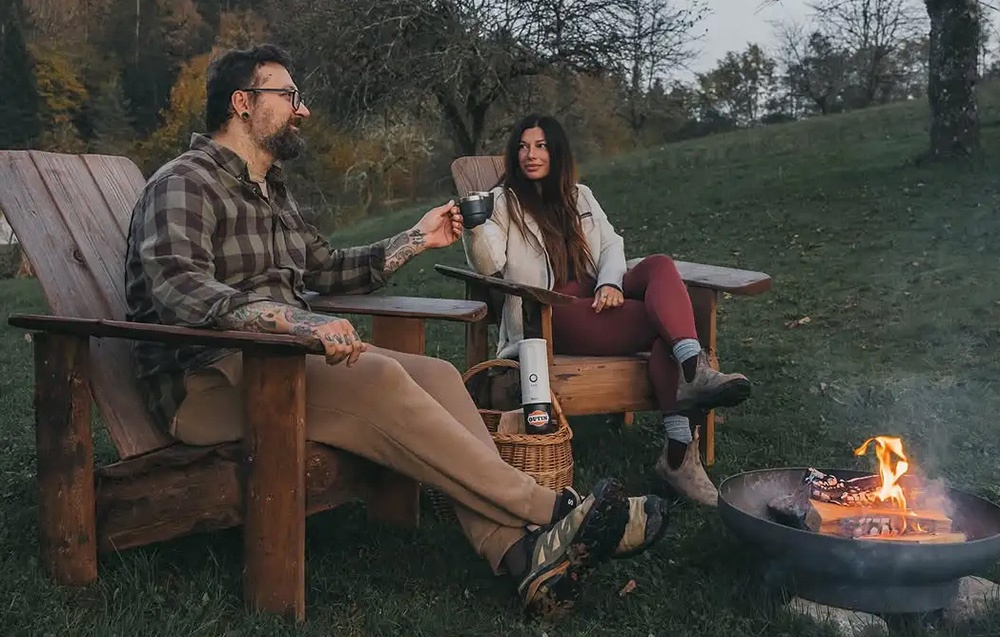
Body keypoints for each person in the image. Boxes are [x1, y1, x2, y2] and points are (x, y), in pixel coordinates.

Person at [123, 44, 668, 619]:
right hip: (207, 383)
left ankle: (523, 554)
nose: (301, 111)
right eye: (288, 97)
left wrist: (417, 237)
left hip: (276, 364)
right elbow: (180, 289)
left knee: (435, 373)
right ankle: (554, 510)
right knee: (377, 374)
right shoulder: (184, 183)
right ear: (242, 103)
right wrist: (296, 322)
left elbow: (326, 267)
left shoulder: (272, 191)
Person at [462, 114, 753, 507]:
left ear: (557, 152)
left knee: (659, 265)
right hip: (549, 313)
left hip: (595, 298)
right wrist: (475, 226)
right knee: (662, 325)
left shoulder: (580, 195)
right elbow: (487, 264)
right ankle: (679, 447)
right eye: (523, 147)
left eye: (541, 145)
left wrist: (611, 282)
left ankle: (689, 370)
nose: (531, 154)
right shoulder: (501, 203)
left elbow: (612, 246)